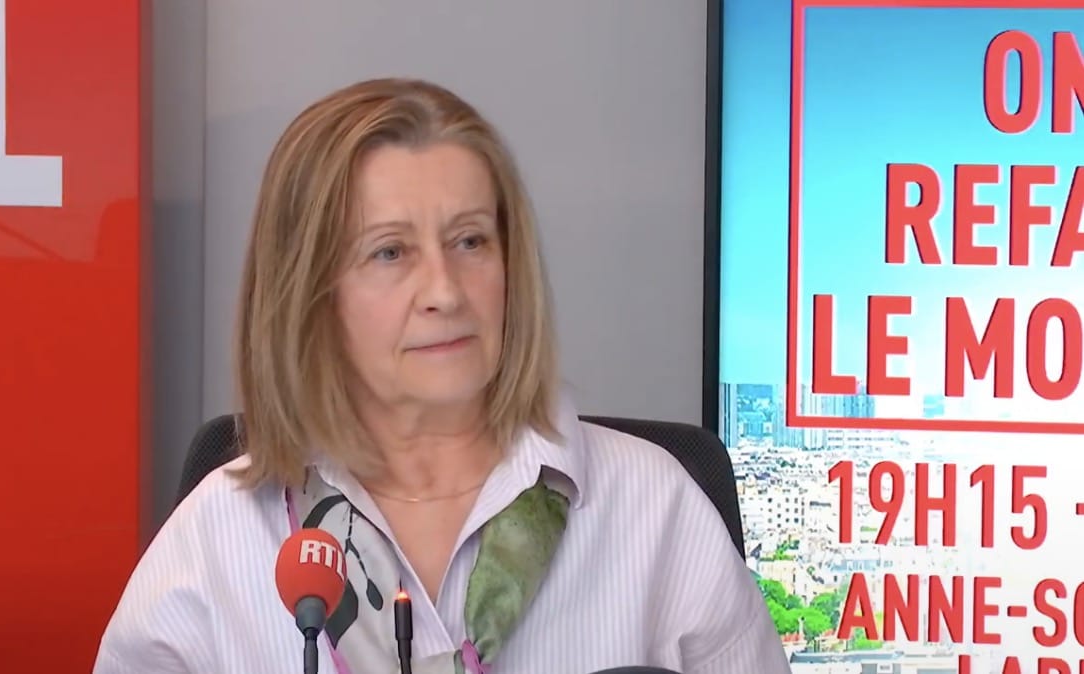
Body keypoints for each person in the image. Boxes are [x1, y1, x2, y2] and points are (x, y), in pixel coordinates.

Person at [93, 78, 789, 674]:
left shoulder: (656, 509)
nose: (446, 292)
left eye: (470, 241)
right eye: (390, 252)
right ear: (308, 294)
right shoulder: (215, 539)